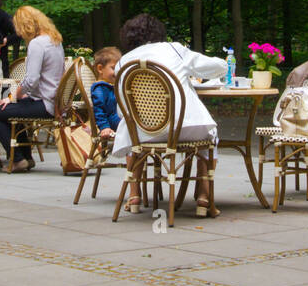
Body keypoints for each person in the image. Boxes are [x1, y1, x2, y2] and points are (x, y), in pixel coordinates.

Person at [111, 14, 225, 217]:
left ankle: (134, 195)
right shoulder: (174, 49)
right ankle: (204, 197)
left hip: (145, 133)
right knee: (211, 136)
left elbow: (122, 110)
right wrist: (224, 64)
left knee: (131, 132)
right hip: (185, 126)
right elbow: (215, 67)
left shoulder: (122, 63)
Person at [0, 6, 65, 172]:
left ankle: (18, 159)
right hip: (54, 101)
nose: (19, 33)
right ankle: (26, 158)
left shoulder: (37, 44)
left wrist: (11, 97)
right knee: (13, 109)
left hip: (44, 103)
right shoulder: (54, 40)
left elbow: (31, 80)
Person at [91, 47, 121, 139]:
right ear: (100, 69)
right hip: (112, 122)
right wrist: (104, 127)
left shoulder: (111, 86)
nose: (117, 72)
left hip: (119, 118)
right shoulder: (100, 88)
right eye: (113, 68)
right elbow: (98, 109)